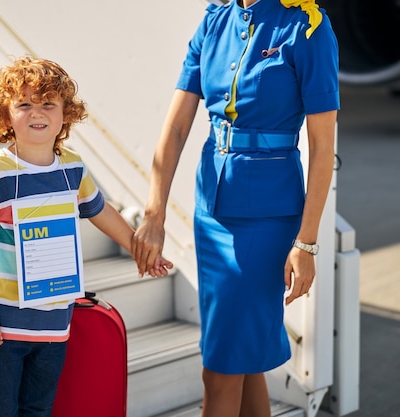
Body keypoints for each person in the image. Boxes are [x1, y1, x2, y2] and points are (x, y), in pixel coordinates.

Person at [131, 1, 339, 416]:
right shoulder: (214, 20)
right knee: (240, 359)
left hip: (268, 220)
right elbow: (175, 126)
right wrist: (155, 214)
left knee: (220, 369)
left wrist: (307, 241)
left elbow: (322, 149)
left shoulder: (308, 27)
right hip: (211, 215)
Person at [0, 55, 172, 417]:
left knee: (39, 409)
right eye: (23, 104)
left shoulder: (72, 168)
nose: (36, 113)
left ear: (65, 114)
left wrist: (139, 249)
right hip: (2, 324)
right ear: (4, 114)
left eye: (47, 104)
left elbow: (100, 211)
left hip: (55, 324)